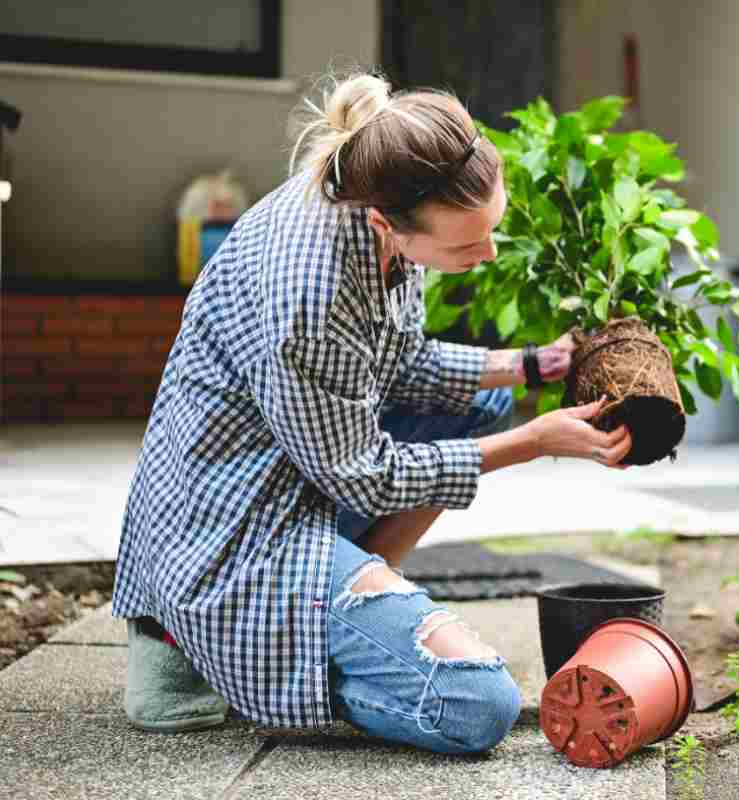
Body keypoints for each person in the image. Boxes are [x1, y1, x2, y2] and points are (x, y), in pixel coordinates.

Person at [112, 71, 633, 754]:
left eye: (491, 231)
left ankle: (353, 606)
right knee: (477, 704)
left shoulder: (374, 197)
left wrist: (531, 364)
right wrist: (536, 442)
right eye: (465, 247)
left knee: (485, 401)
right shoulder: (311, 297)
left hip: (296, 472)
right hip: (234, 528)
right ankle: (208, 649)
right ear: (391, 225)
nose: (487, 254)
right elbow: (365, 478)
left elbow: (395, 361)